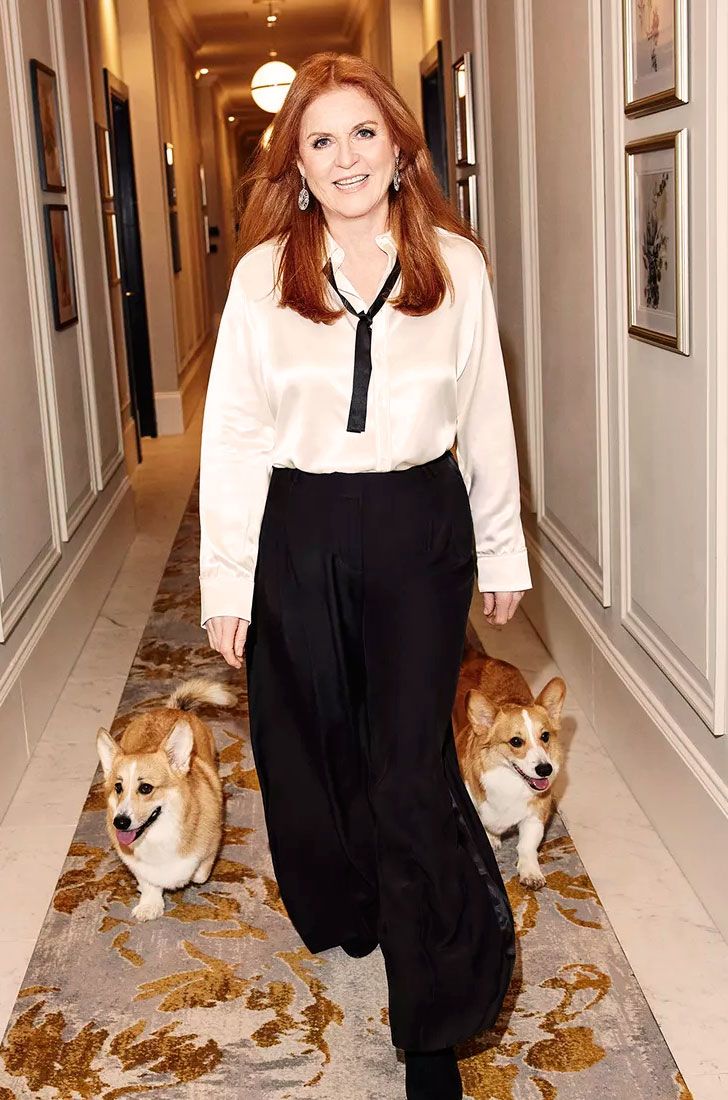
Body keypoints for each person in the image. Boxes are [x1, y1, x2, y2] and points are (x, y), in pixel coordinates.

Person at [199, 51, 532, 1100]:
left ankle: (428, 1020)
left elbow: (482, 414)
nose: (344, 156)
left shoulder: (455, 267)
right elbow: (234, 435)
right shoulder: (262, 277)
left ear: (397, 147)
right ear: (295, 164)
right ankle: (343, 902)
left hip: (415, 525)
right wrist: (226, 581)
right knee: (306, 747)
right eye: (319, 139)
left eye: (361, 133)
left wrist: (502, 546)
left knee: (404, 767)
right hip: (296, 523)